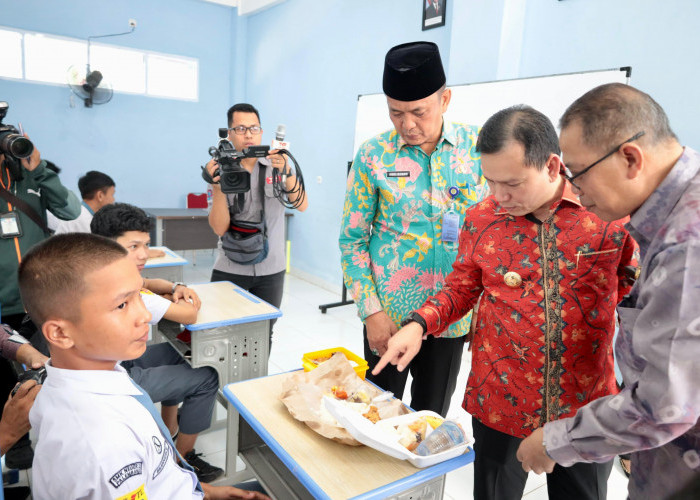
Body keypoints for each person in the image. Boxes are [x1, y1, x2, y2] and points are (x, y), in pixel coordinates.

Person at [373, 105, 638, 499]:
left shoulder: (606, 218)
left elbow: (635, 301)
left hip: (584, 406)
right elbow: (461, 288)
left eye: (511, 183)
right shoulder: (482, 218)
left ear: (551, 167)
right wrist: (418, 324)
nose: (498, 196)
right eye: (490, 181)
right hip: (500, 398)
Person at [515, 84, 700, 499]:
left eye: (578, 174)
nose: (574, 190)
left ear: (630, 158)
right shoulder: (671, 216)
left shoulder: (687, 246)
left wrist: (554, 441)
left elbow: (663, 407)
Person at [18, 233, 269, 499]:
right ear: (60, 334)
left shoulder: (97, 375)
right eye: (122, 304)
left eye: (139, 295)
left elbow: (156, 480)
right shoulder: (104, 447)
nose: (146, 316)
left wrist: (206, 492)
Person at [338, 41, 487, 416]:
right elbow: (352, 241)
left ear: (445, 100)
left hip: (451, 318)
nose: (407, 124)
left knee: (429, 418)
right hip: (387, 317)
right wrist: (371, 312)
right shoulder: (374, 155)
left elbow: (495, 234)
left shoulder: (479, 148)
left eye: (418, 112)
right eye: (396, 113)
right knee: (375, 413)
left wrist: (484, 308)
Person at [91, 203, 224, 483]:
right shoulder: (121, 288)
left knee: (179, 353)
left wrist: (175, 288)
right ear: (105, 245)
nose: (143, 254)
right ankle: (181, 462)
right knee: (207, 376)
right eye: (133, 246)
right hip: (113, 382)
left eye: (146, 245)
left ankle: (170, 427)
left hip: (111, 364)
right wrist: (180, 298)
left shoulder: (103, 271)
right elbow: (188, 314)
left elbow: (149, 281)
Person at [0, 133, 80, 470]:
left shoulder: (31, 177)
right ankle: (16, 442)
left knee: (50, 369)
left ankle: (60, 438)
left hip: (40, 296)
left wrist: (38, 167)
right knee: (4, 375)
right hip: (3, 303)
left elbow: (70, 208)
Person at [205, 103, 308, 348]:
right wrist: (217, 188)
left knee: (263, 335)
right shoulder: (221, 168)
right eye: (240, 128)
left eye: (254, 128)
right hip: (230, 268)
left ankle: (253, 384)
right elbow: (219, 228)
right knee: (221, 333)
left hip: (271, 270)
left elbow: (301, 204)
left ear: (262, 132)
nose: (248, 134)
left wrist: (288, 172)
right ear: (228, 133)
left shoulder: (277, 164)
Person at [47, 170, 115, 234]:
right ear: (100, 196)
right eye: (112, 195)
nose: (113, 200)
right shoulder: (84, 220)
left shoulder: (80, 214)